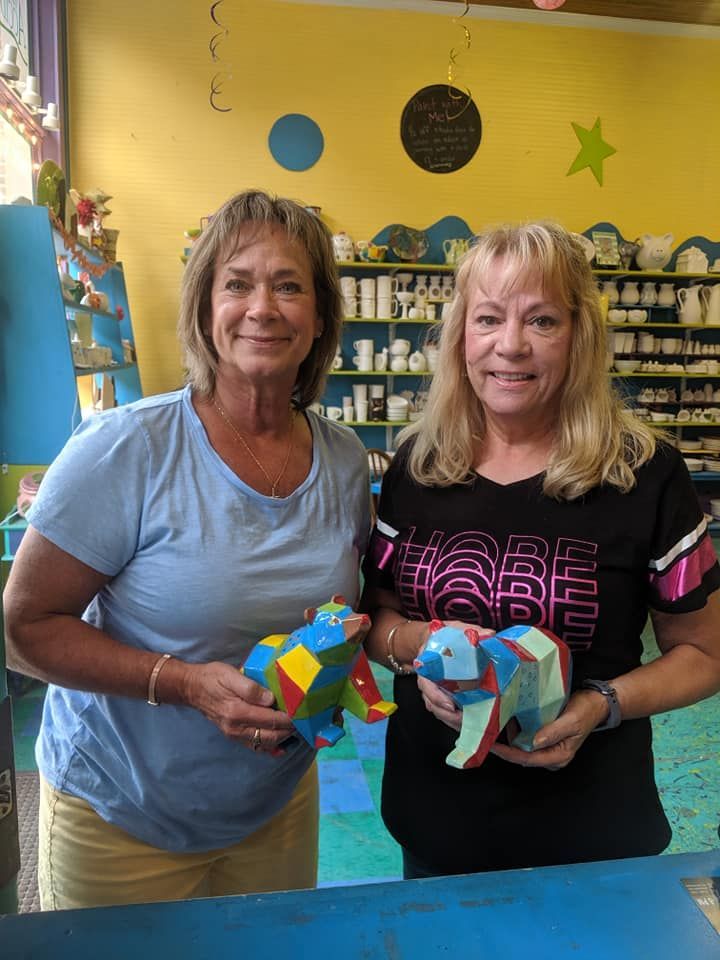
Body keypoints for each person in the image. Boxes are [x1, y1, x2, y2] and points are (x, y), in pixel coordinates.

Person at [4, 189, 370, 908]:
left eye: (289, 285)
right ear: (206, 309)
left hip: (275, 807)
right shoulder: (126, 448)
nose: (262, 307)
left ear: (321, 316)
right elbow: (21, 631)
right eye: (237, 283)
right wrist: (184, 683)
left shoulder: (346, 461)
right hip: (124, 814)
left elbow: (341, 615)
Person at [360, 221, 720, 879]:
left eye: (543, 321)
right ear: (460, 335)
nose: (511, 346)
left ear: (580, 335)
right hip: (438, 818)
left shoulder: (644, 472)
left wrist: (600, 704)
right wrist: (422, 649)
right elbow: (377, 619)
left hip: (592, 827)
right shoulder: (420, 463)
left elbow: (705, 652)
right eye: (489, 318)